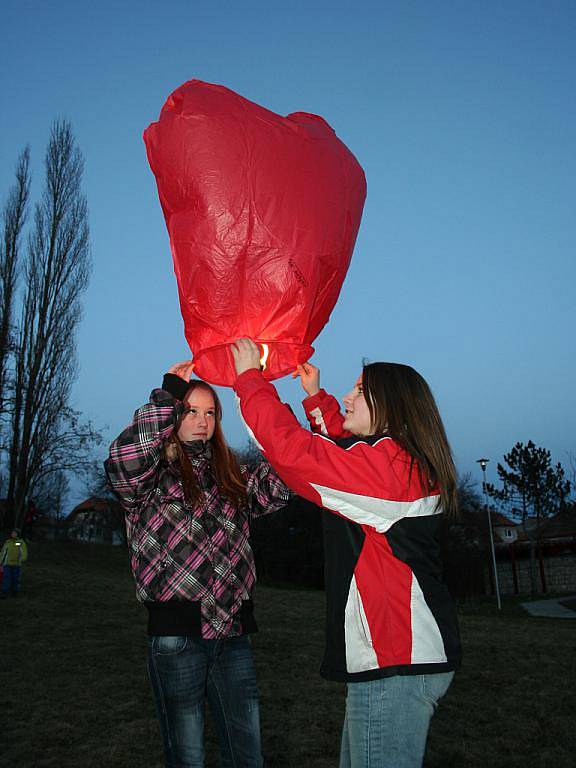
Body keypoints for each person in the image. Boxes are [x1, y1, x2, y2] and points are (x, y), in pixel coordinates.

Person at [231, 339, 461, 768]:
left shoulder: (393, 470)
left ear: (391, 405)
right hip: (391, 663)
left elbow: (301, 456)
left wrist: (249, 380)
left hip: (396, 665)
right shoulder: (394, 463)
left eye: (359, 390)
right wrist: (315, 398)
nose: (348, 396)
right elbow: (340, 454)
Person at [105, 361, 290, 768]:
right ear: (174, 414)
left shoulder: (233, 475)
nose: (202, 421)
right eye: (191, 410)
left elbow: (283, 478)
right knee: (187, 757)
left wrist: (265, 403)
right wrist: (169, 392)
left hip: (234, 636)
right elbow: (123, 459)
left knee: (248, 756)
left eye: (210, 413)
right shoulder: (150, 478)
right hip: (177, 638)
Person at [0, 529, 28, 598]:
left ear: (17, 534)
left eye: (15, 533)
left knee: (15, 578)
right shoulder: (8, 542)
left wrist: (22, 558)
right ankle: (4, 592)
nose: (13, 534)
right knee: (6, 578)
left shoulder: (19, 542)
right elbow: (3, 552)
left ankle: (15, 592)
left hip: (16, 564)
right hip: (7, 564)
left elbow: (23, 550)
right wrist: (0, 561)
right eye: (12, 533)